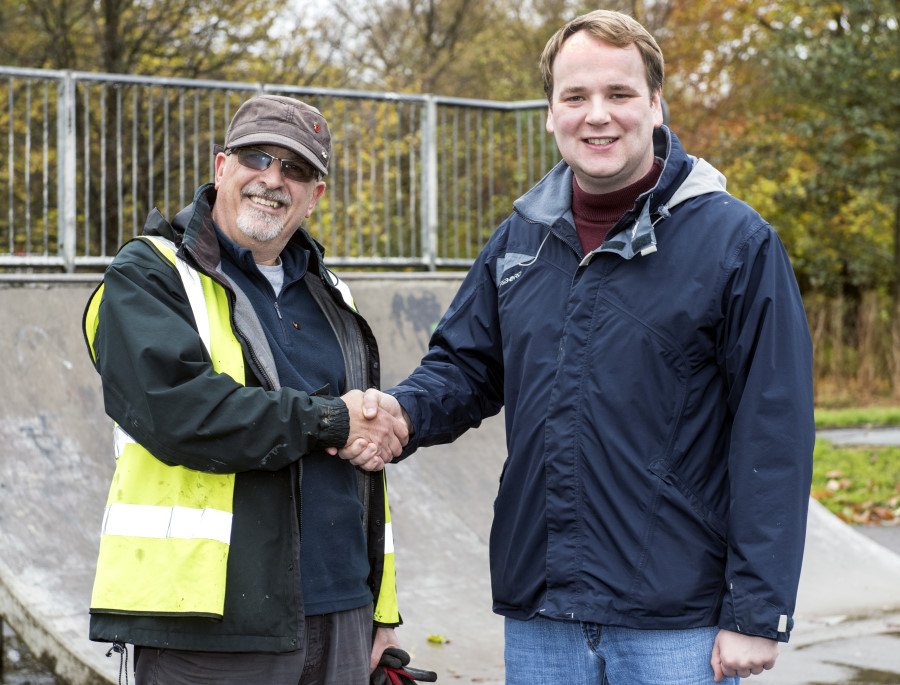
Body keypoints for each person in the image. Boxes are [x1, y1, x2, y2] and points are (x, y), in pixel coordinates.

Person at [353, 9, 815, 684]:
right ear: (550, 114)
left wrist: (756, 608)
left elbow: (774, 430)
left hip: (676, 622)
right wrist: (401, 415)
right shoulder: (519, 239)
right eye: (575, 97)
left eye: (619, 94)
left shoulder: (735, 242)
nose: (597, 115)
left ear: (655, 104)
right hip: (543, 616)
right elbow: (464, 367)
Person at [82, 93, 412, 684]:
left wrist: (380, 613)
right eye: (256, 157)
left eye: (297, 169)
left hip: (342, 618)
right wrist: (329, 421)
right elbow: (178, 411)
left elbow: (368, 475)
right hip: (211, 629)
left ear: (316, 195)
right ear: (220, 167)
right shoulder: (150, 273)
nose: (273, 178)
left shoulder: (333, 295)